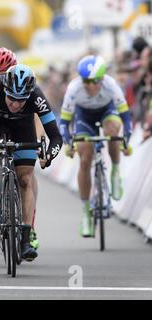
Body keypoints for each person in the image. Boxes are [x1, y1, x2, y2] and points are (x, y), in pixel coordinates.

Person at [0, 64, 63, 261]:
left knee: (25, 179)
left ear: (29, 94)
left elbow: (56, 137)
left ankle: (26, 237)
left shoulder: (36, 96)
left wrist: (49, 155)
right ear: (5, 90)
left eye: (21, 100)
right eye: (11, 98)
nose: (15, 104)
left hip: (22, 125)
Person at [60, 55, 132, 237]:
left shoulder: (111, 86)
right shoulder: (74, 89)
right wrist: (69, 143)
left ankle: (115, 171)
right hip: (84, 117)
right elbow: (64, 122)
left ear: (103, 78)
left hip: (108, 112)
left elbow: (126, 117)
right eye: (86, 81)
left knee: (113, 130)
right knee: (85, 158)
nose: (91, 85)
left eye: (95, 81)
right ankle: (85, 212)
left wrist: (126, 140)